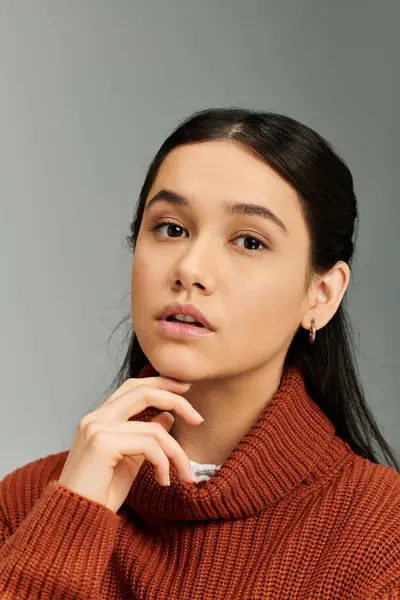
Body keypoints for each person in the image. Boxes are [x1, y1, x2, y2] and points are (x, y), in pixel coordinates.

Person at [0, 108, 399, 599]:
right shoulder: (24, 503)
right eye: (170, 229)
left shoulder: (382, 535)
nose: (190, 268)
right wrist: (67, 525)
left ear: (322, 294)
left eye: (249, 241)